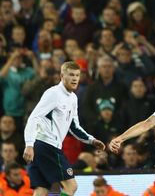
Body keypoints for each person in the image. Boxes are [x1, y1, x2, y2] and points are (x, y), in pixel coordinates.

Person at [23, 61, 106, 196]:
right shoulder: (53, 93)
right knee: (71, 186)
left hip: (42, 147)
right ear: (62, 76)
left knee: (41, 190)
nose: (74, 78)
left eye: (77, 75)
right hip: (46, 144)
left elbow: (74, 126)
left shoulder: (73, 98)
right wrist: (29, 144)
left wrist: (91, 140)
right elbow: (34, 118)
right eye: (71, 75)